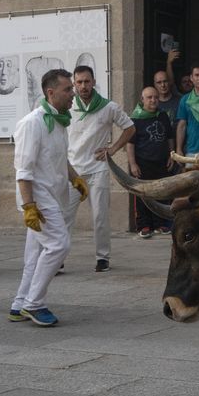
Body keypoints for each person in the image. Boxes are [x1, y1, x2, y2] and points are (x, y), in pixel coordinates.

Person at [9, 68, 88, 327]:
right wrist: (29, 206)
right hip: (39, 199)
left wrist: (75, 179)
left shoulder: (60, 120)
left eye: (72, 89)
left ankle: (20, 303)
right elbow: (23, 170)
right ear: (51, 93)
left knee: (35, 254)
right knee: (59, 245)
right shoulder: (32, 124)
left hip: (53, 196)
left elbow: (58, 158)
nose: (73, 94)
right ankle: (35, 303)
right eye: (68, 90)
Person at [65, 65, 134, 272]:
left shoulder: (108, 107)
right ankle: (58, 257)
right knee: (64, 216)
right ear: (74, 85)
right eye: (79, 82)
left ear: (94, 82)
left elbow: (130, 128)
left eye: (87, 81)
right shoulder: (68, 106)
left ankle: (102, 257)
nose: (83, 86)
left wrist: (112, 149)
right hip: (73, 170)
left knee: (100, 216)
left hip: (98, 169)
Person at [127, 86, 176, 239]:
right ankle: (144, 225)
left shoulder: (162, 116)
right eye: (149, 97)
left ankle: (161, 224)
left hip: (161, 162)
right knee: (143, 195)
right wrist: (133, 164)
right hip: (143, 163)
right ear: (142, 100)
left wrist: (171, 155)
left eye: (155, 97)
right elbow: (130, 144)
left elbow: (169, 137)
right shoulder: (135, 119)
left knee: (162, 193)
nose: (153, 100)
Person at [175, 65, 199, 157]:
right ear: (191, 78)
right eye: (197, 75)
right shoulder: (185, 99)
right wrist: (179, 149)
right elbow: (182, 125)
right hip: (191, 150)